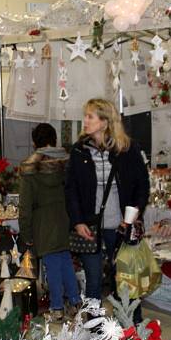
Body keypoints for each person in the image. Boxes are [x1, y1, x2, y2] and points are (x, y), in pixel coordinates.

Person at [65, 98, 149, 310]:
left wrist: (134, 214)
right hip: (90, 226)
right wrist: (77, 221)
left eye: (90, 116)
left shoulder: (127, 149)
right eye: (85, 115)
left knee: (126, 281)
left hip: (122, 226)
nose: (85, 121)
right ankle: (94, 332)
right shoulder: (79, 151)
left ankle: (132, 329)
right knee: (93, 282)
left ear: (104, 122)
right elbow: (71, 189)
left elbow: (142, 185)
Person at [19, 123, 81, 321]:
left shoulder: (30, 168)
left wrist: (26, 234)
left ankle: (56, 308)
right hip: (65, 217)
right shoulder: (68, 162)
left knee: (52, 264)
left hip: (42, 222)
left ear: (34, 142)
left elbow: (25, 206)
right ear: (54, 139)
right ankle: (75, 302)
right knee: (64, 260)